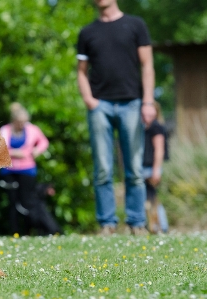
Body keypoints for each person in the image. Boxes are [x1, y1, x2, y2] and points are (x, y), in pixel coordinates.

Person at [76, 0, 156, 235]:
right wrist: (89, 100)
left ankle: (136, 222)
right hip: (100, 106)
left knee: (134, 168)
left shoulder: (136, 25)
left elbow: (148, 65)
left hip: (131, 103)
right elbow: (81, 71)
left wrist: (148, 101)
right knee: (102, 168)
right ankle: (107, 223)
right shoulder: (87, 32)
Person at [0, 102, 49, 235]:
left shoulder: (32, 129)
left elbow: (44, 142)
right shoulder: (5, 130)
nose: (22, 125)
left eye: (24, 122)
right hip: (9, 170)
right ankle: (15, 232)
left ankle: (30, 231)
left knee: (28, 202)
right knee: (13, 202)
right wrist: (15, 153)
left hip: (27, 170)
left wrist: (37, 150)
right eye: (19, 122)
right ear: (13, 120)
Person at [142, 101, 169, 233]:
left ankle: (161, 226)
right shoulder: (146, 127)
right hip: (145, 167)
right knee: (148, 199)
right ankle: (154, 226)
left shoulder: (155, 127)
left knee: (152, 200)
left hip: (150, 168)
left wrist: (156, 170)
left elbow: (159, 150)